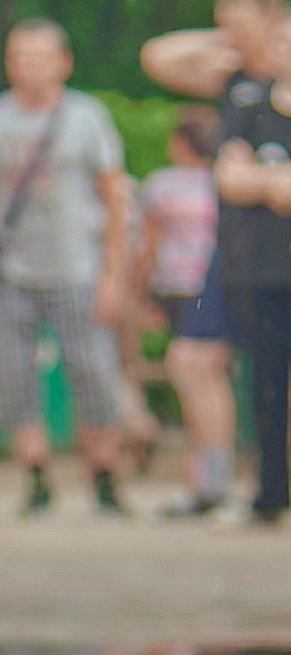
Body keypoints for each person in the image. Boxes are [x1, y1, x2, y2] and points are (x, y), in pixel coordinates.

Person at [0, 19, 130, 515]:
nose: (29, 67)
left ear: (63, 63)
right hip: (14, 269)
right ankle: (35, 474)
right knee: (12, 375)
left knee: (91, 371)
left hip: (76, 267)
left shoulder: (86, 117)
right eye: (20, 56)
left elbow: (113, 195)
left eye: (40, 56)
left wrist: (114, 271)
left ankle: (103, 473)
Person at [142, 0, 291, 525]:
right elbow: (157, 57)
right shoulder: (233, 82)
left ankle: (259, 487)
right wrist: (227, 39)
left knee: (266, 378)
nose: (233, 32)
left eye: (243, 22)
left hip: (273, 259)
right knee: (192, 360)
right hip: (231, 253)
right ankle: (214, 486)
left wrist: (260, 181)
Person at [136, 106, 234, 519]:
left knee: (191, 370)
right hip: (225, 286)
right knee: (210, 374)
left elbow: (147, 247)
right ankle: (213, 478)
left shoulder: (164, 185)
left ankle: (210, 483)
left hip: (187, 288)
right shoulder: (227, 180)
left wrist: (139, 293)